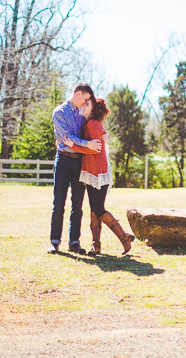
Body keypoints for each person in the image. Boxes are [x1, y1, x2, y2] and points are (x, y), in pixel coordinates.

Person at [62, 97, 135, 255]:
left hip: (98, 171)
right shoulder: (88, 122)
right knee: (94, 209)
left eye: (88, 104)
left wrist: (72, 145)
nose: (84, 105)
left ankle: (124, 238)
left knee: (98, 209)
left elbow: (95, 149)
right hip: (91, 171)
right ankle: (96, 245)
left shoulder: (93, 123)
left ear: (94, 109)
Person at [47, 83, 102, 255]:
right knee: (59, 203)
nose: (86, 103)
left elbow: (93, 129)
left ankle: (74, 242)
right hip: (63, 161)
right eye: (85, 98)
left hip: (80, 162)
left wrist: (102, 136)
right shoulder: (59, 112)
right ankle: (54, 242)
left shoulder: (83, 114)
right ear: (78, 94)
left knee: (77, 204)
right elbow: (66, 137)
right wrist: (87, 144)